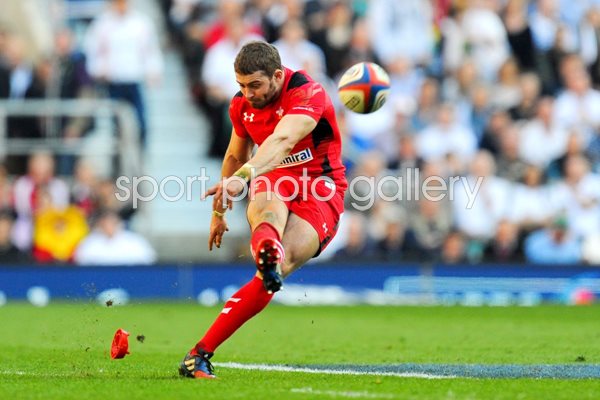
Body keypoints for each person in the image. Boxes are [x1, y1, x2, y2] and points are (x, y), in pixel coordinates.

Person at [179, 41, 347, 379]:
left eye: (255, 84)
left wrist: (242, 179)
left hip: (321, 185)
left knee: (279, 268)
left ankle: (270, 256)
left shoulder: (308, 93)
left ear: (277, 75)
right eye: (240, 85)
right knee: (268, 210)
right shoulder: (241, 106)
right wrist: (218, 212)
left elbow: (283, 140)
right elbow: (234, 156)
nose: (248, 93)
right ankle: (199, 356)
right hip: (274, 178)